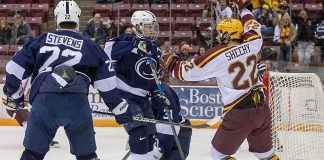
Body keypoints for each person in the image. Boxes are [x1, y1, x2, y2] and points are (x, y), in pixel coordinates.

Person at [4, 1, 128, 160]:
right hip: (77, 103)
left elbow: (14, 68)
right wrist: (117, 107)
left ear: (56, 18)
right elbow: (106, 81)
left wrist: (15, 95)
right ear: (77, 18)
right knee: (87, 156)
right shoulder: (90, 45)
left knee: (32, 155)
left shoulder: (41, 40)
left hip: (44, 102)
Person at [160, 1, 279, 160]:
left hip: (240, 111)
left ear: (227, 35)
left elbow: (188, 72)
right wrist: (245, 9)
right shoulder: (253, 42)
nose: (217, 35)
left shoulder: (218, 55)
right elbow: (253, 24)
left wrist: (170, 62)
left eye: (220, 32)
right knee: (265, 154)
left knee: (219, 154)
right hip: (262, 109)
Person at [103, 10, 162, 159]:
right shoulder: (128, 39)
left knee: (150, 136)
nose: (152, 29)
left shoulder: (155, 49)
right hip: (125, 97)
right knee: (139, 132)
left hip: (143, 100)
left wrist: (155, 92)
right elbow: (107, 51)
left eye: (153, 26)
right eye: (148, 26)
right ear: (138, 27)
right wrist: (133, 43)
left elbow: (154, 75)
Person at [148, 83, 192, 160]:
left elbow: (168, 131)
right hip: (157, 129)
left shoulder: (163, 93)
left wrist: (158, 148)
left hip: (177, 134)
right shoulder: (137, 90)